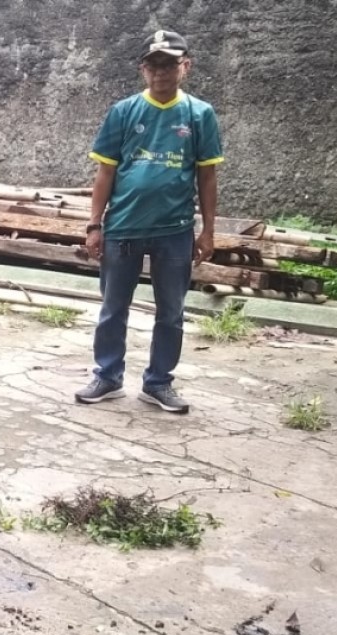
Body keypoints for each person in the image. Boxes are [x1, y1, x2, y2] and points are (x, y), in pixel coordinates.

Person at [75, 30, 223, 415]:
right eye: (153, 65)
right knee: (113, 308)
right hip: (123, 227)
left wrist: (208, 230)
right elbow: (105, 172)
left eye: (169, 65)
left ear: (185, 67)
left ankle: (158, 383)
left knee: (171, 312)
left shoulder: (200, 114)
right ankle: (108, 376)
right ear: (143, 69)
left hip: (175, 230)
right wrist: (94, 225)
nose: (161, 73)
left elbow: (207, 176)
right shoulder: (123, 112)